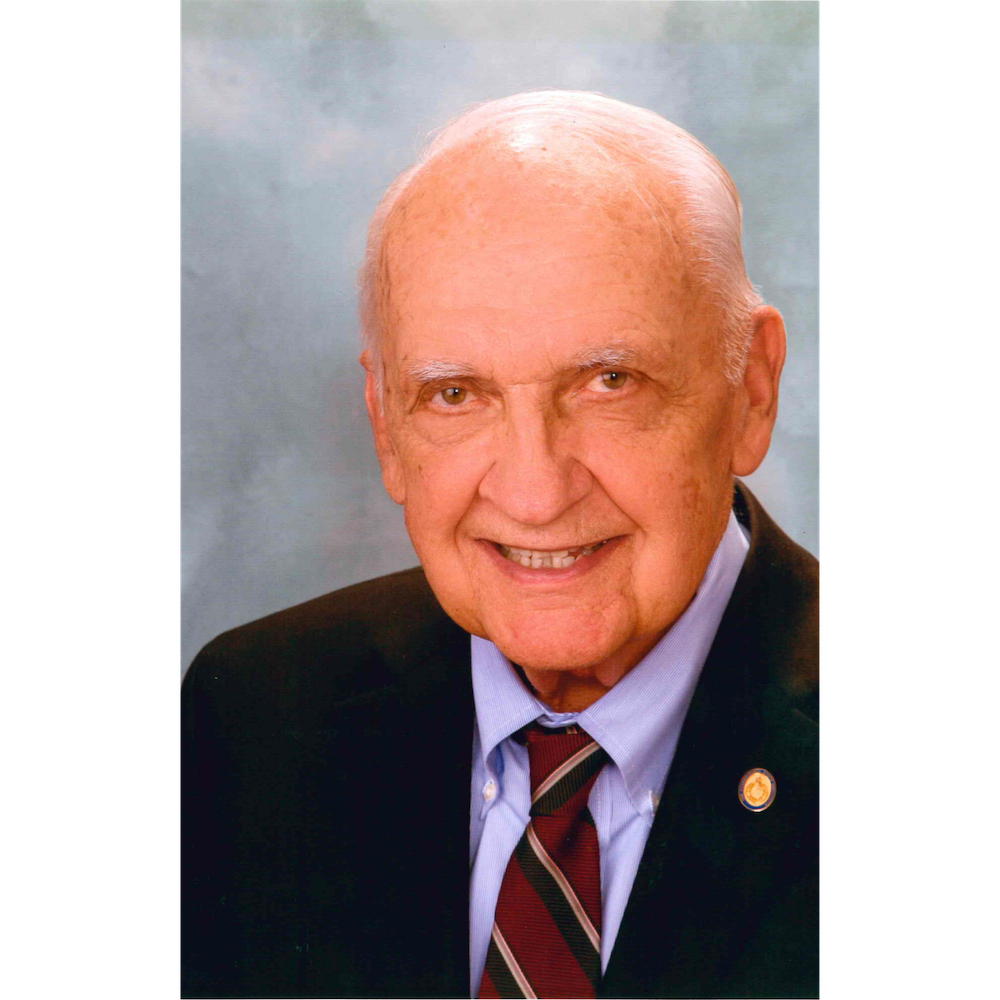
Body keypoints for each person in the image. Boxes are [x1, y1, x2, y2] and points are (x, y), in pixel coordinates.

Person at [179, 90, 820, 999]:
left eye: (610, 381)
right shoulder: (253, 715)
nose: (533, 492)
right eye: (455, 395)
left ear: (751, 390)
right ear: (385, 426)